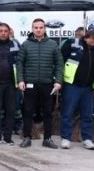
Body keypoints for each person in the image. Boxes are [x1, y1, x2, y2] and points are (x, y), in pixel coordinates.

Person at [17, 19, 64, 148]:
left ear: (45, 29)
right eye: (36, 27)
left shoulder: (53, 45)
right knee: (28, 111)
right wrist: (20, 80)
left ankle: (47, 139)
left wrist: (58, 82)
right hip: (30, 84)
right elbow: (19, 64)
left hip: (47, 84)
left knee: (48, 112)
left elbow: (60, 64)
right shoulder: (25, 45)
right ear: (32, 29)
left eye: (41, 27)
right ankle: (27, 137)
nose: (38, 30)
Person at [59, 26, 94, 150]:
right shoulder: (72, 44)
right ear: (90, 37)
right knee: (67, 113)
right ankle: (66, 138)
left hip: (88, 88)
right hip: (72, 85)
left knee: (87, 114)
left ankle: (87, 138)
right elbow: (60, 61)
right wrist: (59, 80)